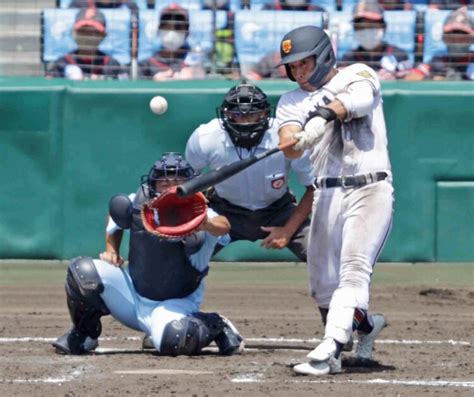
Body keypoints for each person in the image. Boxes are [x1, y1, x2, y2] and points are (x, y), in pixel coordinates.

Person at [275, 25, 394, 375]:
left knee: (354, 272)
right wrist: (296, 138)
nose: (298, 71)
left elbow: (360, 101)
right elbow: (290, 145)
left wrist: (324, 115)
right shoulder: (289, 100)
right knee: (323, 286)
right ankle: (367, 327)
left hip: (368, 188)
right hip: (325, 194)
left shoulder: (358, 73)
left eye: (304, 63)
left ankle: (330, 351)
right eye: (292, 66)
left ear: (324, 56)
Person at [52, 152, 243, 357]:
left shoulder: (200, 211)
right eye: (164, 181)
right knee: (83, 271)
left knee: (173, 340)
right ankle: (84, 335)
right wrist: (111, 250)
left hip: (175, 304)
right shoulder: (140, 203)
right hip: (133, 296)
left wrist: (205, 223)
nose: (170, 186)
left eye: (178, 180)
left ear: (190, 184)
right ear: (153, 184)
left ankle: (215, 324)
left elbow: (224, 226)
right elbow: (115, 216)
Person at [185, 82, 314, 262]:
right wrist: (204, 217)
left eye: (252, 114)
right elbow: (186, 182)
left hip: (278, 210)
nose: (244, 120)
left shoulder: (285, 136)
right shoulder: (206, 137)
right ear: (226, 114)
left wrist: (288, 230)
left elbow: (313, 187)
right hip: (224, 211)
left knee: (320, 251)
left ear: (264, 114)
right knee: (184, 253)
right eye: (237, 114)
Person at [45, 7, 128, 80]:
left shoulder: (112, 65)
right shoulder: (61, 64)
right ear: (74, 33)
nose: (87, 37)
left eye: (93, 32)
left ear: (103, 35)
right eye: (83, 31)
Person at [339, 0, 413, 80]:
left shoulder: (398, 55)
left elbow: (412, 81)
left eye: (372, 26)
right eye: (361, 27)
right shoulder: (349, 58)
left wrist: (395, 76)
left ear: (383, 27)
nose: (367, 31)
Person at [138, 4, 205, 80]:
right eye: (166, 27)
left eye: (178, 27)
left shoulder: (194, 62)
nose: (172, 32)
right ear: (159, 30)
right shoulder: (145, 66)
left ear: (187, 32)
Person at [405, 7, 474, 80]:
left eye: (462, 35)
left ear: (471, 39)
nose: (457, 38)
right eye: (452, 34)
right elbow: (410, 79)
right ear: (444, 38)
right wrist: (434, 80)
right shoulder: (438, 61)